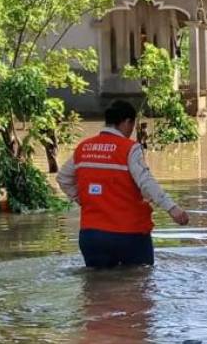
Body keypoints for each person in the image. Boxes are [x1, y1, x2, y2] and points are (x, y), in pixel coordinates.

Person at [58, 100, 189, 268]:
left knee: (96, 290)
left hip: (91, 237)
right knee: (137, 285)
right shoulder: (129, 148)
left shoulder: (84, 147)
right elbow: (146, 182)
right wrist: (172, 208)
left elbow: (63, 178)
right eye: (132, 125)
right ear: (127, 122)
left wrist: (82, 199)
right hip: (129, 235)